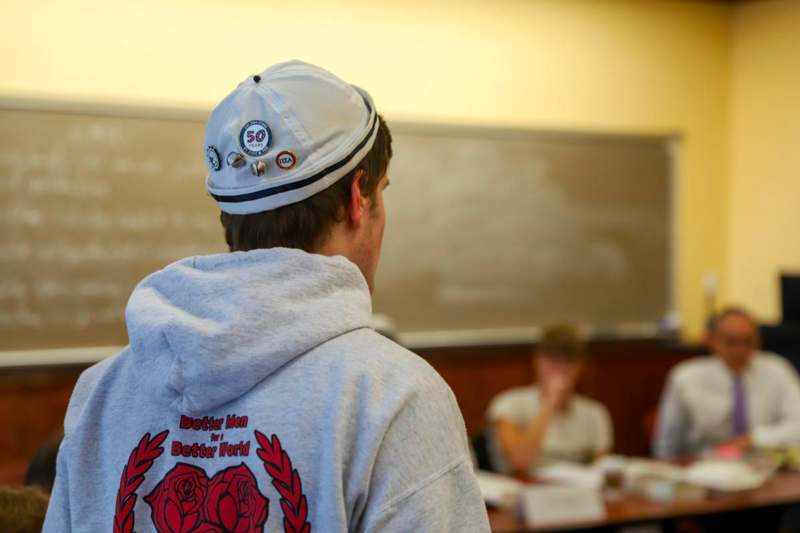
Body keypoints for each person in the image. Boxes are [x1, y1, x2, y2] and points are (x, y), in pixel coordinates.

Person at [44, 61, 489, 532]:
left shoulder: (101, 395)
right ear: (359, 198)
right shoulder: (396, 398)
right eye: (381, 190)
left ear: (228, 212)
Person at [654, 306, 800, 459]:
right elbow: (667, 443)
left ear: (759, 341)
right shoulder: (685, 377)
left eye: (748, 341)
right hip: (706, 466)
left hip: (765, 463)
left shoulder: (777, 369)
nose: (740, 350)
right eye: (731, 342)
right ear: (711, 341)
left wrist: (752, 439)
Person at [487, 324, 612, 476]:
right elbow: (519, 461)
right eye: (553, 361)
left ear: (580, 366)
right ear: (537, 361)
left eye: (569, 362)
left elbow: (601, 470)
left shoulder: (595, 413)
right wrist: (549, 404)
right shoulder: (509, 404)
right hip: (527, 491)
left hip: (577, 492)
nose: (560, 368)